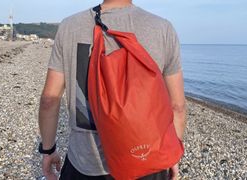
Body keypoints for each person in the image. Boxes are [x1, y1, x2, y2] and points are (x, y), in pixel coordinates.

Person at [38, 0, 186, 179]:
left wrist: (48, 150)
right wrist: (172, 156)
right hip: (147, 158)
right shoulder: (162, 28)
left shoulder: (69, 27)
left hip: (85, 162)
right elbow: (177, 106)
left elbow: (49, 100)